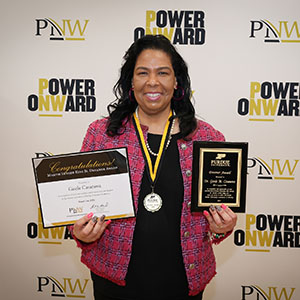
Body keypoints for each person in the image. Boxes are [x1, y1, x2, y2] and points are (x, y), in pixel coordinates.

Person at [71, 35, 237, 300]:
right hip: (115, 279)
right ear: (131, 82)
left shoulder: (208, 139)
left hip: (184, 278)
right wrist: (82, 234)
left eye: (163, 73)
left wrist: (221, 227)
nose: (152, 82)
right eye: (142, 73)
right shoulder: (101, 135)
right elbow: (80, 207)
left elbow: (218, 212)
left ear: (176, 82)